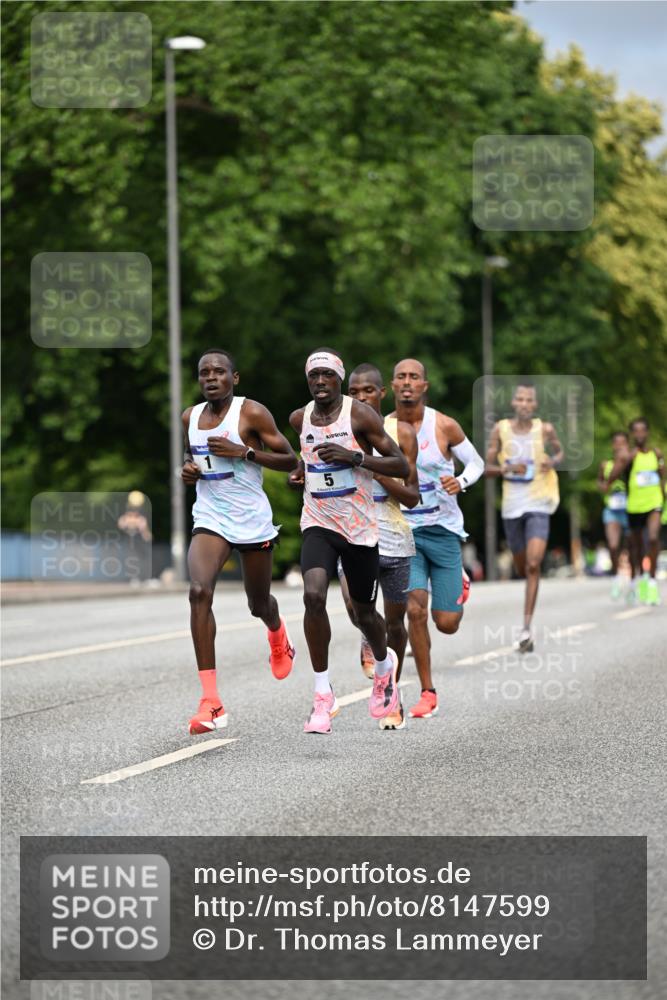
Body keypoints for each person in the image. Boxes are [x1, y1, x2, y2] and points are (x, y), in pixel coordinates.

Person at [288, 348, 409, 735]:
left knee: (364, 613)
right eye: (313, 376)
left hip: (359, 529)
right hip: (319, 522)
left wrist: (355, 458)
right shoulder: (298, 418)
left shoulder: (360, 415)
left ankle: (384, 665)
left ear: (339, 380)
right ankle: (322, 693)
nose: (320, 382)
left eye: (327, 375)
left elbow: (400, 465)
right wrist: (299, 472)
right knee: (313, 596)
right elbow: (307, 461)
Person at [181, 348, 298, 735]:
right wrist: (189, 470)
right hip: (211, 517)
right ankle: (211, 702)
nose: (210, 378)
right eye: (204, 373)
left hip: (251, 520)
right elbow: (191, 453)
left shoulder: (251, 414)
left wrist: (245, 452)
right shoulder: (191, 417)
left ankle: (277, 632)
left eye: (218, 372)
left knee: (258, 604)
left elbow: (290, 460)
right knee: (199, 591)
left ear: (235, 378)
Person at [390, 359, 484, 719]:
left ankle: (459, 580)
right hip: (405, 532)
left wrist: (461, 481)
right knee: (415, 610)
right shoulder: (382, 427)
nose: (408, 383)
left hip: (444, 530)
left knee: (446, 623)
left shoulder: (443, 425)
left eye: (414, 377)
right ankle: (427, 691)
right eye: (401, 377)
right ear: (393, 385)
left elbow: (475, 463)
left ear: (425, 385)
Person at [337, 363, 420, 731]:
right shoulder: (338, 432)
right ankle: (367, 635)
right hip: (351, 530)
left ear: (381, 393)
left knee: (395, 623)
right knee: (357, 609)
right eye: (353, 393)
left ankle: (393, 694)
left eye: (367, 392)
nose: (360, 399)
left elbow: (413, 496)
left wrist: (379, 473)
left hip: (394, 535)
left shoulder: (399, 432)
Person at [486, 382, 563, 653]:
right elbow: (487, 467)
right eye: (520, 399)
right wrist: (505, 467)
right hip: (511, 506)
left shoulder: (545, 429)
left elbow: (560, 452)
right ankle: (527, 577)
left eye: (529, 400)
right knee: (522, 566)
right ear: (514, 403)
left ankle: (526, 628)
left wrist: (552, 461)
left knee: (533, 564)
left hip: (539, 501)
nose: (525, 404)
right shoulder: (500, 430)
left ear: (535, 405)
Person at [608, 418, 664, 605]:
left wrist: (663, 497)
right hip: (634, 507)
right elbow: (612, 477)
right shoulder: (628, 456)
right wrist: (621, 460)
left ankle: (653, 582)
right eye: (636, 431)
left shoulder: (656, 453)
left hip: (654, 502)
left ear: (647, 433)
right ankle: (640, 580)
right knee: (637, 547)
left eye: (643, 431)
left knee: (654, 539)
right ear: (632, 435)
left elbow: (663, 477)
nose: (639, 434)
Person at [597, 431, 630, 600]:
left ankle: (633, 582)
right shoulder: (605, 464)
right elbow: (600, 482)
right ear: (612, 445)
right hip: (612, 510)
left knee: (633, 548)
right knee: (613, 545)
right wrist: (602, 486)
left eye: (623, 442)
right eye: (616, 443)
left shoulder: (631, 462)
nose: (619, 446)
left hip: (630, 509)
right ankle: (617, 577)